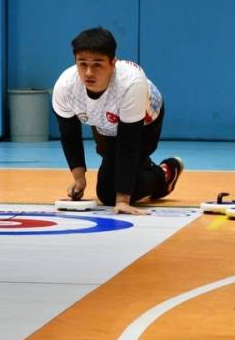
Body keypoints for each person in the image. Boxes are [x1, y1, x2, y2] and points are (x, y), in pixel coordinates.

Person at [51, 27, 183, 215]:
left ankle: (164, 174)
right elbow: (69, 135)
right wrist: (79, 179)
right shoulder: (65, 86)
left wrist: (122, 201)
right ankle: (143, 167)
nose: (89, 72)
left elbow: (129, 144)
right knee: (114, 181)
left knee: (108, 193)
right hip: (105, 124)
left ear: (113, 62)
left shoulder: (131, 84)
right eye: (82, 64)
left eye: (97, 64)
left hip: (145, 122)